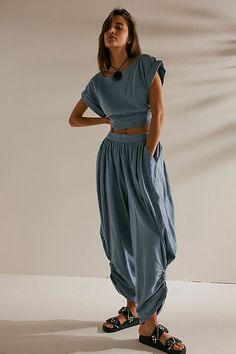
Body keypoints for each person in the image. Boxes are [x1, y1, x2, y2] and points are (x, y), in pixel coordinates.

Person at [69, 7, 186, 354]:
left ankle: (150, 325)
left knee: (149, 231)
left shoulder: (148, 65)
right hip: (111, 157)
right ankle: (133, 308)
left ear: (130, 36)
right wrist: (105, 123)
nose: (111, 30)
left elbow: (160, 112)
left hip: (142, 153)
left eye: (118, 26)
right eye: (108, 27)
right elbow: (74, 119)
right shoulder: (98, 81)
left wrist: (148, 154)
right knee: (118, 230)